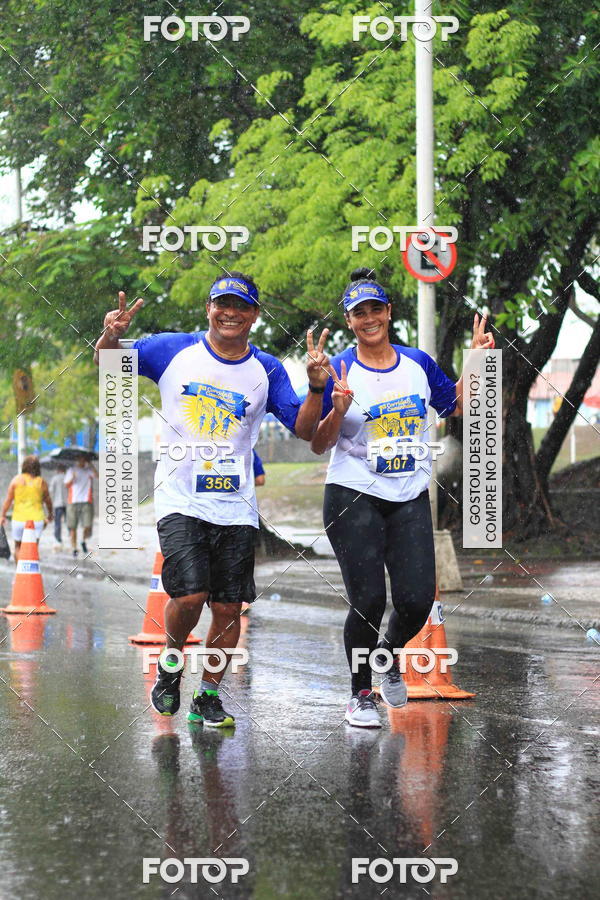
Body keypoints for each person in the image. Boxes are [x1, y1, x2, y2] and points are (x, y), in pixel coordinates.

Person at [93, 274, 330, 727]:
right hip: (180, 500)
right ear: (208, 308)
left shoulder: (268, 369)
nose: (230, 313)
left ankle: (207, 696)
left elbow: (304, 430)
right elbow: (108, 365)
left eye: (241, 306)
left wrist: (317, 388)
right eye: (222, 304)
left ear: (254, 315)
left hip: (236, 507)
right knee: (190, 595)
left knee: (227, 608)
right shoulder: (170, 349)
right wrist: (111, 336)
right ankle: (171, 660)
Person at [311, 268, 494, 728]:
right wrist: (336, 410)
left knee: (416, 600)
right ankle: (360, 695)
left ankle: (387, 655)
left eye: (376, 309)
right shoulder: (339, 368)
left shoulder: (417, 363)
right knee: (369, 599)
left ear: (389, 312)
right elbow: (319, 442)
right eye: (359, 313)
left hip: (408, 495)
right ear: (350, 321)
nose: (369, 318)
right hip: (352, 494)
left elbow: (457, 404)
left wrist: (475, 362)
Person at [0, 455, 53, 563]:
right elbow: (48, 501)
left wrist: (3, 515)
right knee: (33, 547)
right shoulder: (41, 482)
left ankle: (19, 570)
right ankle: (31, 570)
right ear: (37, 467)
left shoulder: (16, 480)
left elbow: (8, 500)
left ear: (24, 466)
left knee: (18, 546)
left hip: (19, 519)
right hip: (36, 520)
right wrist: (50, 514)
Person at [64, 455, 97, 557]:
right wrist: (73, 478)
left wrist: (91, 465)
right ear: (77, 459)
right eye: (80, 458)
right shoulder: (71, 470)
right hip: (73, 501)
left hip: (86, 501)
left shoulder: (88, 470)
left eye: (84, 459)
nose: (82, 460)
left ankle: (83, 540)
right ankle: (74, 548)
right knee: (73, 527)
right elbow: (66, 484)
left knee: (87, 525)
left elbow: (97, 476)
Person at [49, 463, 68, 547]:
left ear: (58, 470)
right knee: (69, 521)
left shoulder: (55, 478)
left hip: (57, 503)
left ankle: (58, 538)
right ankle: (71, 534)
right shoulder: (67, 478)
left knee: (57, 522)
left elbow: (51, 490)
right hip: (67, 502)